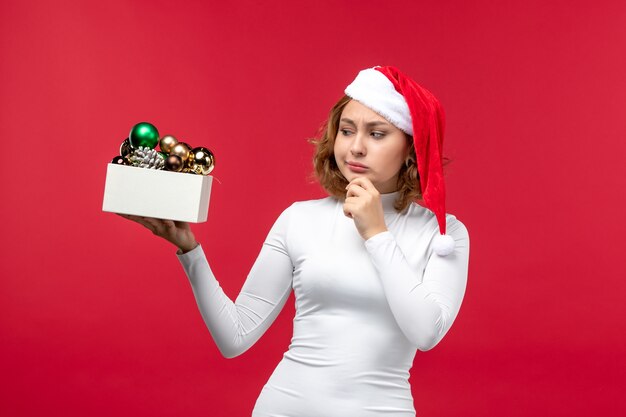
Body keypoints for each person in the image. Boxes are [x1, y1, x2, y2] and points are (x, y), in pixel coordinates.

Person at [120, 66, 470, 417]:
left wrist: (376, 232)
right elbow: (235, 336)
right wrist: (190, 250)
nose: (356, 147)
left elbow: (426, 333)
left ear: (411, 147)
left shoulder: (443, 235)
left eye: (377, 134)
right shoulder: (299, 219)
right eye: (347, 131)